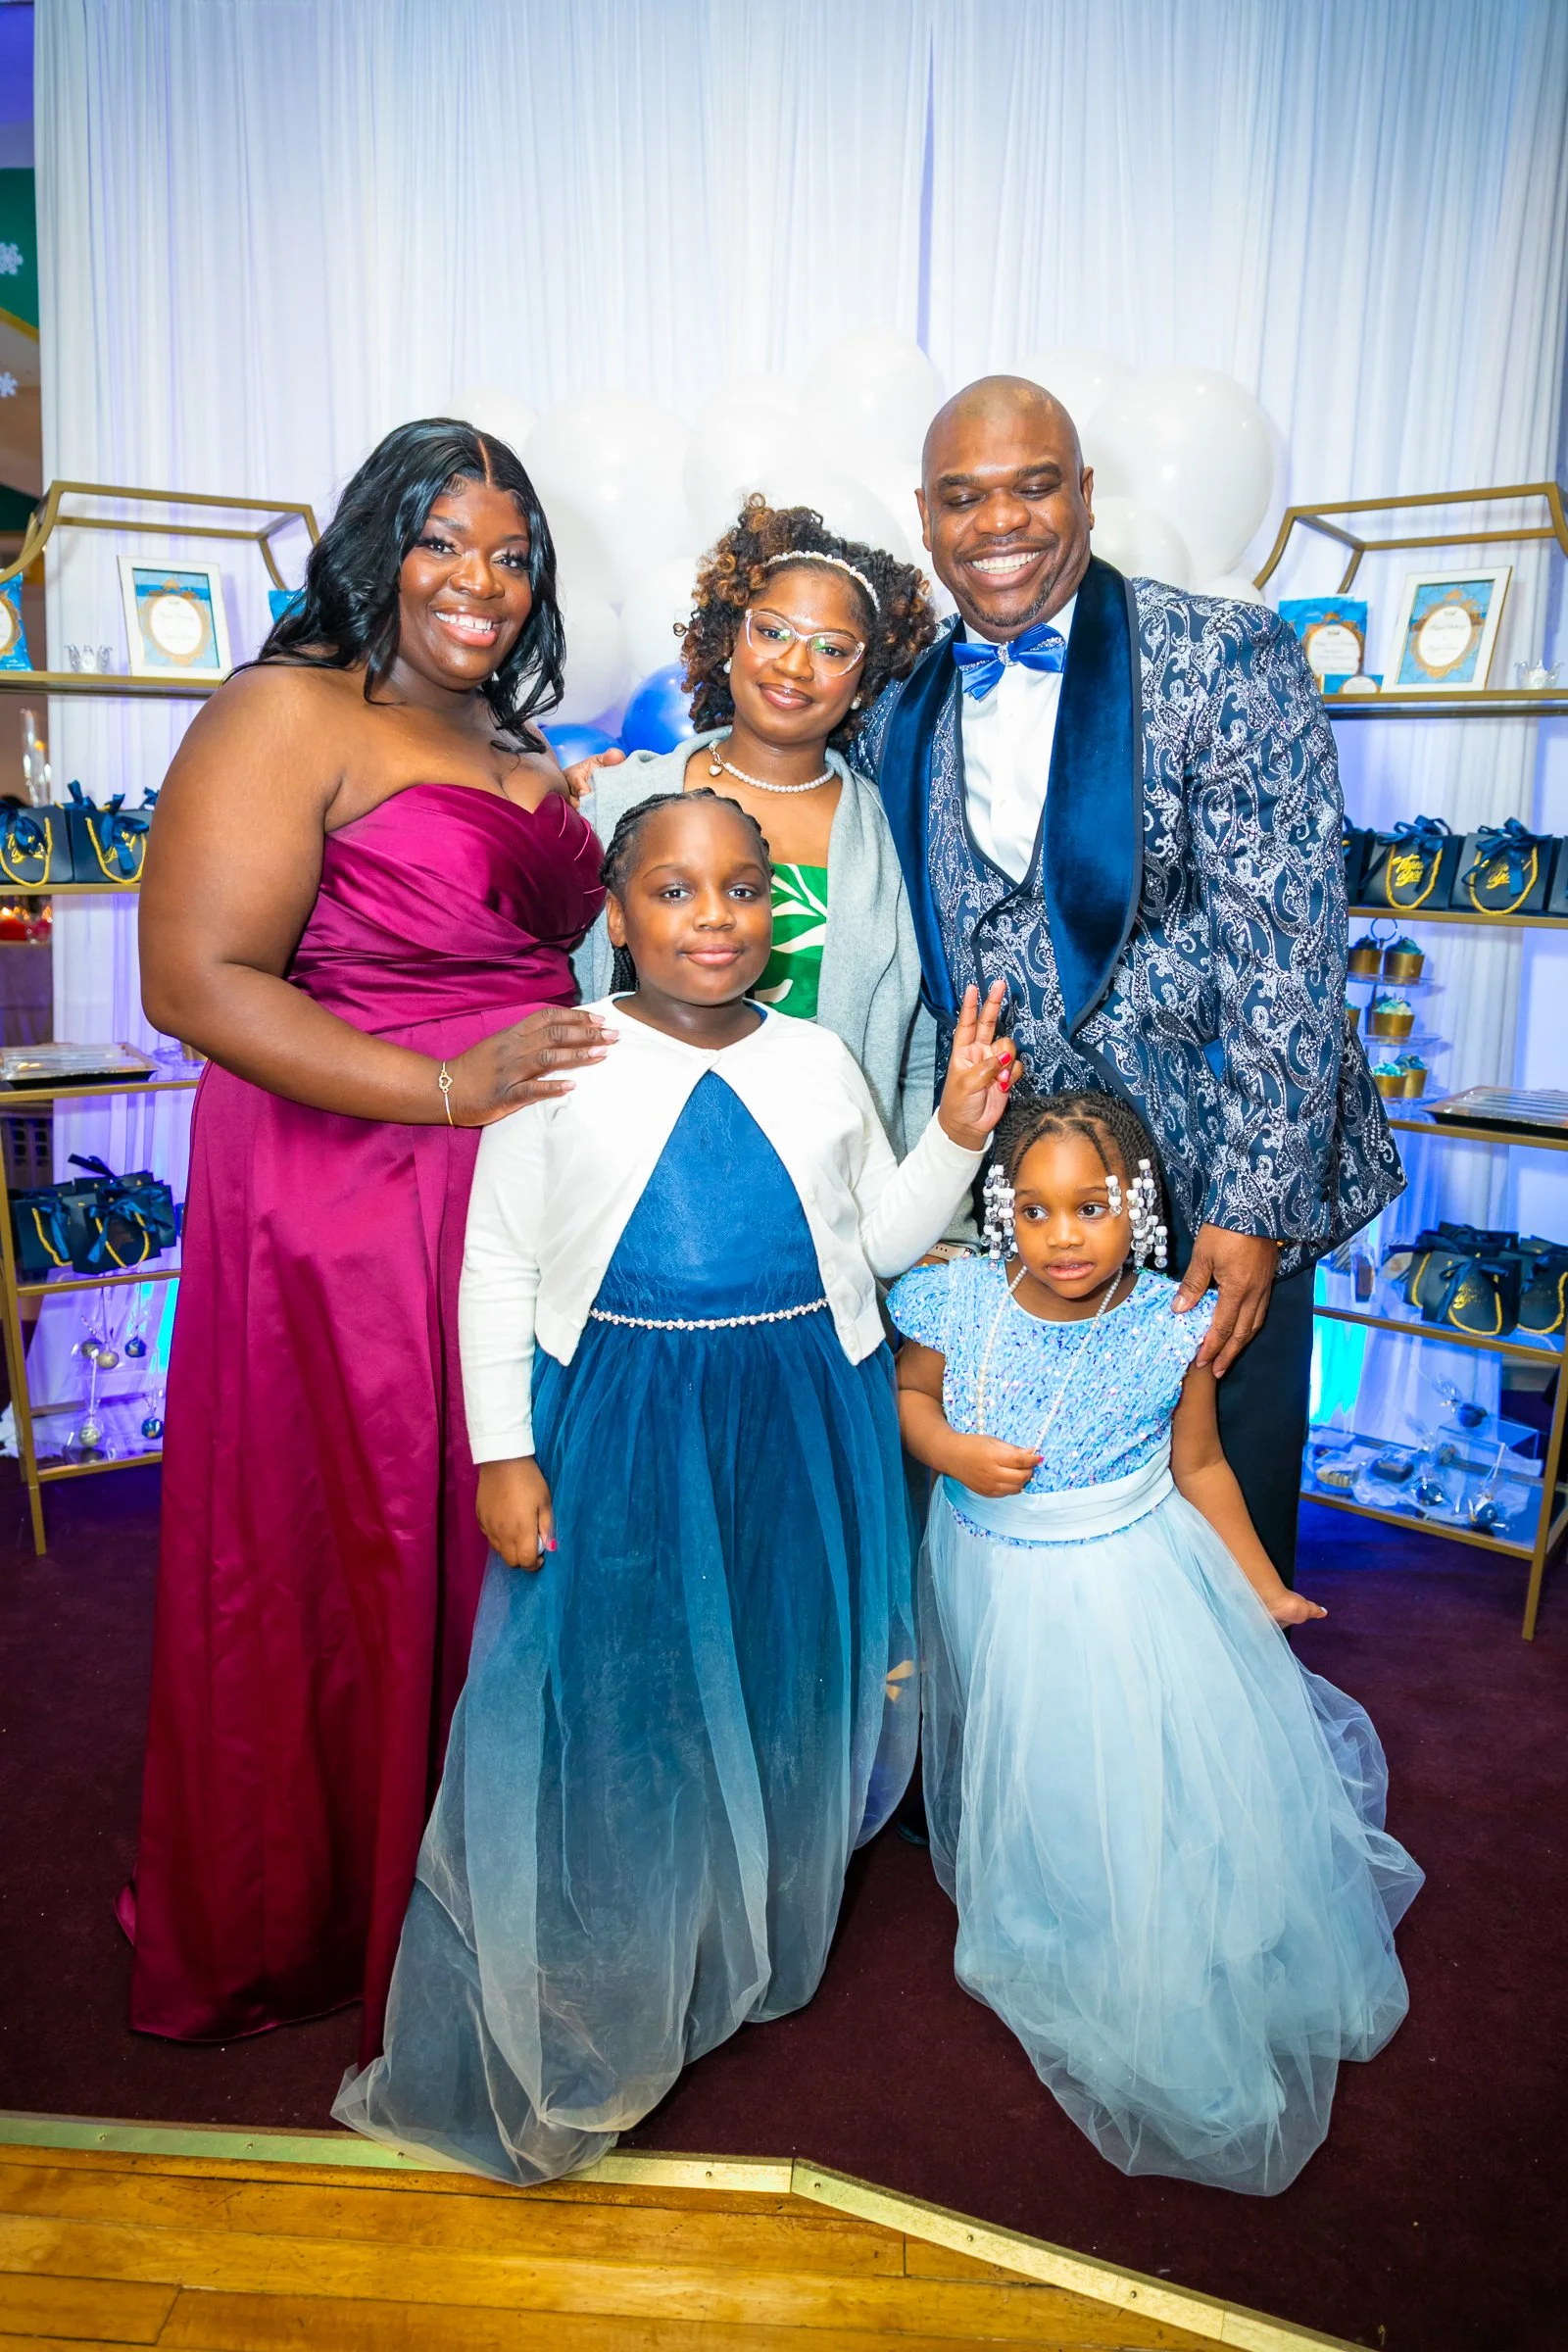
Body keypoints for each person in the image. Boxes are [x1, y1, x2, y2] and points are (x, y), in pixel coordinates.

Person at [333, 790, 1012, 2182]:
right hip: (631, 1416)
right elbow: (499, 1267)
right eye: (677, 891)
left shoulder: (819, 1059)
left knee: (773, 1666)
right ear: (617, 913)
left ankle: (736, 1922)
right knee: (625, 1674)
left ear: (782, 909)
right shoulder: (563, 1062)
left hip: (801, 1406)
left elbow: (877, 1239)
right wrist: (502, 1452)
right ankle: (612, 1951)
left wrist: (950, 1132)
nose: (716, 919)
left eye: (744, 891)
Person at [127, 419, 611, 2061]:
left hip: (516, 1187)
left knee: (499, 1545)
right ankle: (335, 1911)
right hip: (351, 1182)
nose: (481, 582)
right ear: (373, 548)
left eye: (511, 553)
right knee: (359, 1549)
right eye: (444, 542)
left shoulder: (509, 733)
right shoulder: (287, 708)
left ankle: (489, 1896)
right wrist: (444, 1087)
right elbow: (196, 983)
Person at [857, 376, 1405, 1580]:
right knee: (1039, 1515)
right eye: (963, 497)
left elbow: (1292, 947)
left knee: (1218, 1517)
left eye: (1032, 486)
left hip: (1213, 1175)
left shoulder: (1223, 654)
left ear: (1086, 496)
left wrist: (1254, 1208)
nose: (997, 520)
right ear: (925, 516)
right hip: (1028, 1206)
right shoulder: (900, 698)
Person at [889, 1088, 1422, 2196]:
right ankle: (1042, 1909)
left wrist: (1264, 1588)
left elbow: (1202, 1468)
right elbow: (909, 1396)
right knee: (1022, 1754)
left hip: (1110, 1588)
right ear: (1001, 1211)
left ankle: (1143, 1955)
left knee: (1114, 1771)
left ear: (1135, 1206)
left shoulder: (1165, 1329)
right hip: (985, 1567)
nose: (1063, 1234)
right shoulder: (957, 1298)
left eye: (1090, 1207)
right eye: (1033, 1211)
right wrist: (947, 1451)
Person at [574, 499, 938, 1149]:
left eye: (831, 649)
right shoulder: (616, 798)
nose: (794, 666)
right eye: (771, 631)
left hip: (826, 1194)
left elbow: (911, 1060)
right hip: (630, 1166)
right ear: (728, 641)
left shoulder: (892, 840)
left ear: (863, 682)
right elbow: (562, 994)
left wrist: (921, 1217)